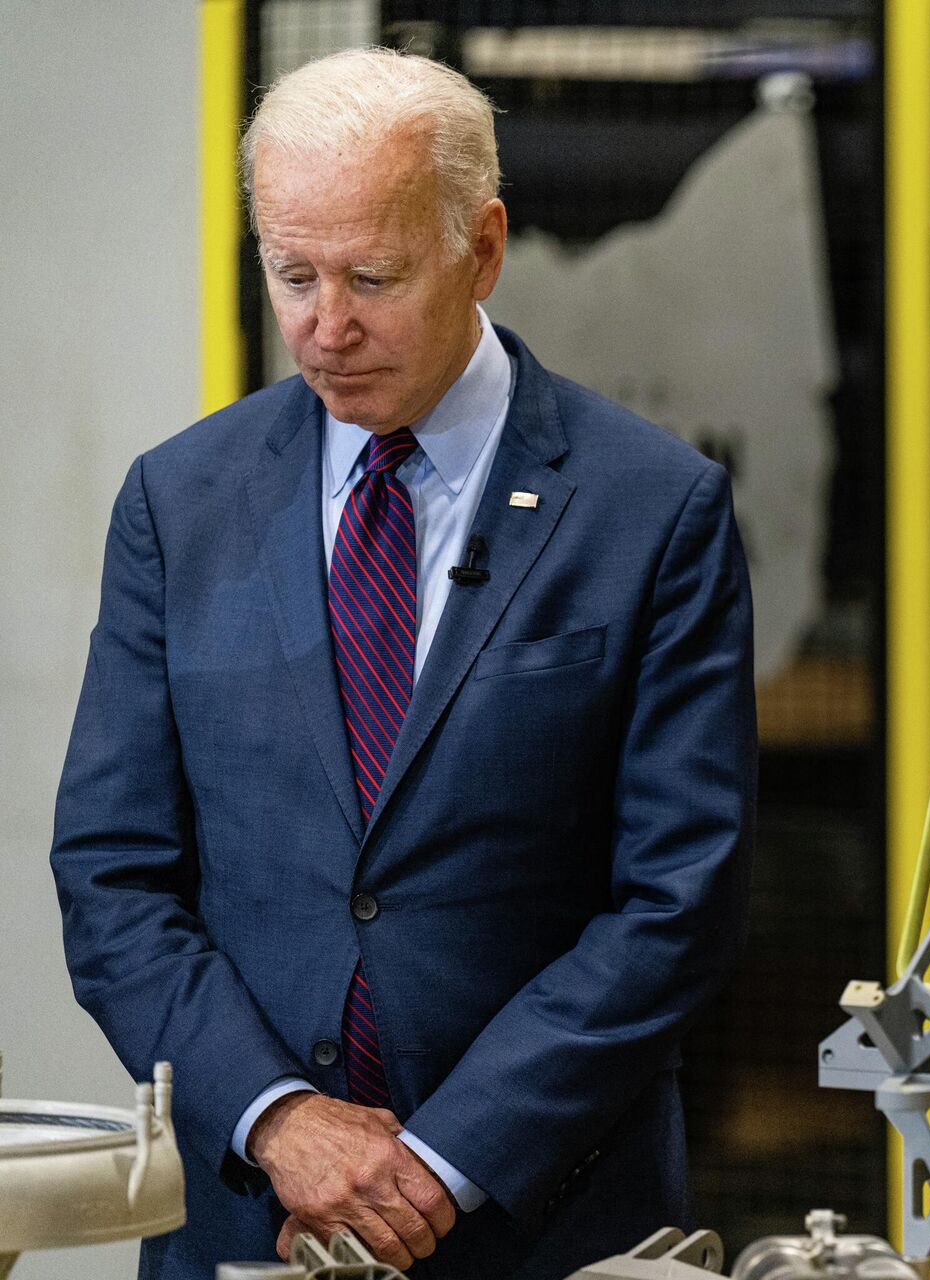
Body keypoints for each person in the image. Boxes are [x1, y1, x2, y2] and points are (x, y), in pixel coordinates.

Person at [50, 47, 755, 1280]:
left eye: (373, 276)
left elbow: (677, 901)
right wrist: (278, 1115)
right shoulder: (180, 502)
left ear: (481, 249)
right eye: (292, 275)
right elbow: (113, 876)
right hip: (249, 1221)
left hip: (544, 1223)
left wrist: (441, 1161)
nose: (327, 328)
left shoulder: (653, 508)